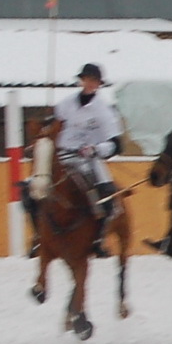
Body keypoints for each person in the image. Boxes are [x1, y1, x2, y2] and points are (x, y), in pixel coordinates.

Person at [51, 63, 125, 256]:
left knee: (107, 197)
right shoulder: (65, 105)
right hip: (62, 155)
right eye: (87, 79)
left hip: (89, 159)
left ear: (99, 84)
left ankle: (99, 240)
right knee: (33, 188)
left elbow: (116, 144)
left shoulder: (105, 112)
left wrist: (95, 149)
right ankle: (38, 237)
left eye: (94, 81)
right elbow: (53, 127)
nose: (90, 84)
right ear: (81, 80)